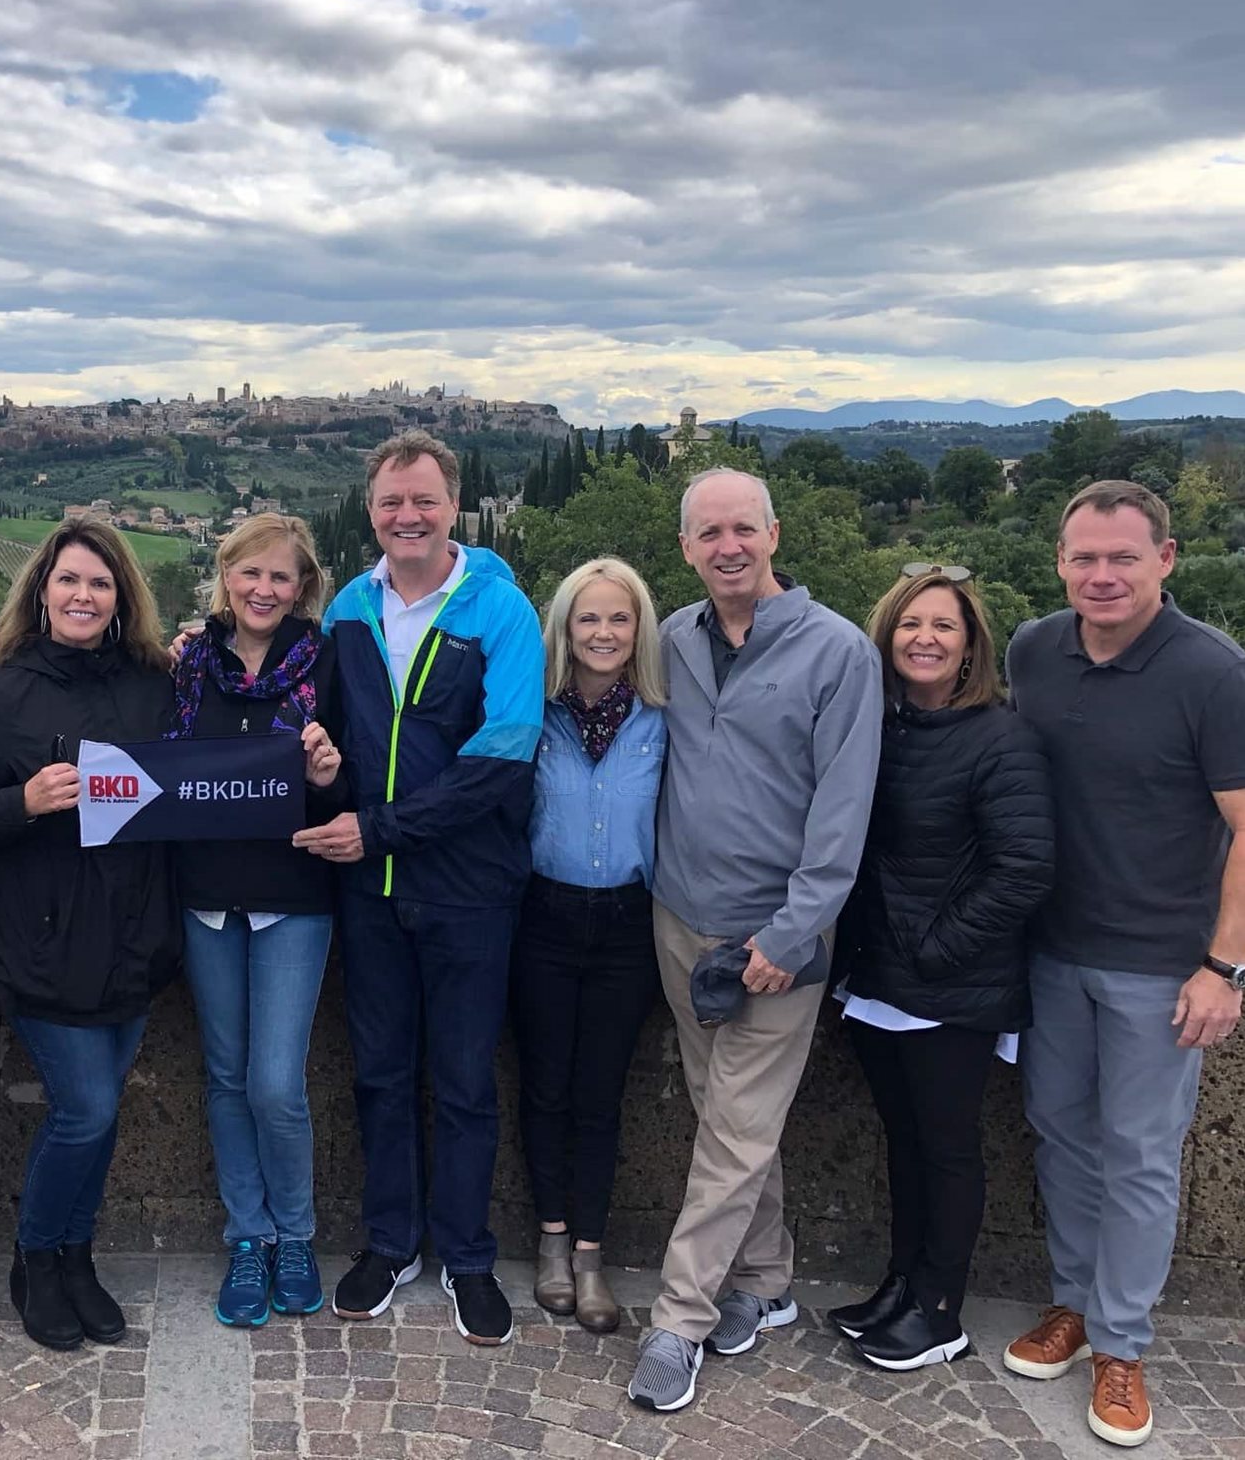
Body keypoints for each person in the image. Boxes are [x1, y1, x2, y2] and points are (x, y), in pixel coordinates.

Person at [1001, 480, 1245, 1449]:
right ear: (1060, 561)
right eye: (1082, 557)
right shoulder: (1032, 649)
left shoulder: (1212, 673)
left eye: (1120, 557)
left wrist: (1222, 968)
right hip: (1052, 950)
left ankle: (1118, 1343)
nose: (1099, 575)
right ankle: (1070, 1305)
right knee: (1058, 1136)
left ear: (1165, 558)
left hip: (1160, 966)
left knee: (1141, 1157)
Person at [627, 467, 880, 1413]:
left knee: (734, 1129)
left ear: (774, 535)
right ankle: (766, 1280)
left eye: (743, 528)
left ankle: (679, 1321)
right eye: (708, 533)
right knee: (727, 1120)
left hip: (778, 939)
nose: (727, 546)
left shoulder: (838, 653)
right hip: (680, 920)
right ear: (687, 548)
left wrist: (793, 932)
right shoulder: (675, 641)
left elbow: (842, 815)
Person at [296, 429, 544, 1347]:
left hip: (470, 890)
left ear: (454, 505)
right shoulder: (349, 610)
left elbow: (504, 760)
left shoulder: (503, 611)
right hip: (369, 893)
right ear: (372, 513)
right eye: (392, 503)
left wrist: (379, 829)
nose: (409, 517)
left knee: (468, 1081)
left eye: (425, 501)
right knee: (381, 1076)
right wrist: (324, 776)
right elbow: (330, 741)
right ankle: (392, 1242)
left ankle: (468, 1255)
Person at [0, 519, 181, 1352]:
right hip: (41, 938)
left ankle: (75, 1257)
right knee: (83, 1110)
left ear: (123, 599)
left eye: (101, 584)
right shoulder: (2, 693)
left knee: (103, 1113)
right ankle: (34, 1257)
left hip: (134, 931)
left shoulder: (157, 683)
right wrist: (26, 802)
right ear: (42, 591)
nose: (84, 596)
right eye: (70, 581)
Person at [831, 565, 1053, 1371]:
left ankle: (940, 1311)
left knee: (948, 1147)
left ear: (970, 647)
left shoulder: (1001, 736)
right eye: (909, 624)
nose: (924, 638)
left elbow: (1024, 867)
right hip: (879, 979)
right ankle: (902, 1282)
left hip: (951, 984)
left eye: (944, 627)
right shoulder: (881, 727)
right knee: (905, 1141)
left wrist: (934, 950)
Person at [164, 513, 346, 1328]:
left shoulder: (333, 662)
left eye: (282, 577)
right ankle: (248, 1238)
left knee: (277, 1082)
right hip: (204, 893)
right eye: (251, 574)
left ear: (303, 586)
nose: (265, 590)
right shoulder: (186, 662)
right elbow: (159, 767)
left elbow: (349, 792)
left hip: (294, 895)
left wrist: (330, 772)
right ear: (226, 576)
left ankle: (296, 1234)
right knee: (228, 1077)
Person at [512, 558, 667, 1335]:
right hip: (543, 914)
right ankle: (548, 1241)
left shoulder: (663, 718)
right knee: (545, 1088)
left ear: (639, 629)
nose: (603, 633)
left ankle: (591, 1255)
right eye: (588, 618)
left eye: (619, 618)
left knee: (600, 1097)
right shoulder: (535, 713)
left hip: (627, 925)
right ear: (564, 628)